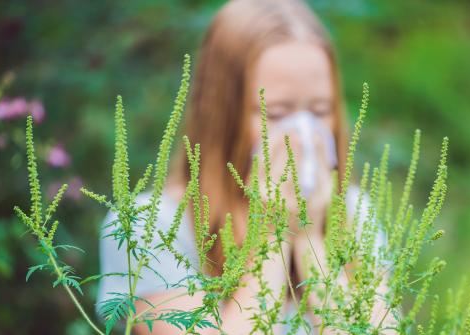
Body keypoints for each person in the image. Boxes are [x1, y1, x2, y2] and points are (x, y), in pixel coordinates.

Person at [98, 0, 390, 333]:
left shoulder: (356, 215)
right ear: (222, 115)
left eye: (320, 110)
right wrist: (272, 232)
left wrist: (310, 236)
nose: (302, 134)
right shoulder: (149, 228)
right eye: (277, 114)